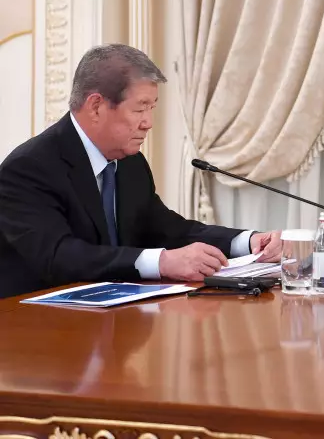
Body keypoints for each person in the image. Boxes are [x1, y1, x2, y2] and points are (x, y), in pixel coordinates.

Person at [0, 44, 282, 299]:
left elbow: (168, 230)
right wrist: (162, 262)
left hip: (114, 318)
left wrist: (249, 241)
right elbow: (58, 256)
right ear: (96, 106)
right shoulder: (29, 168)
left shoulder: (129, 162)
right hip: (37, 323)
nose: (148, 123)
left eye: (152, 108)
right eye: (140, 109)